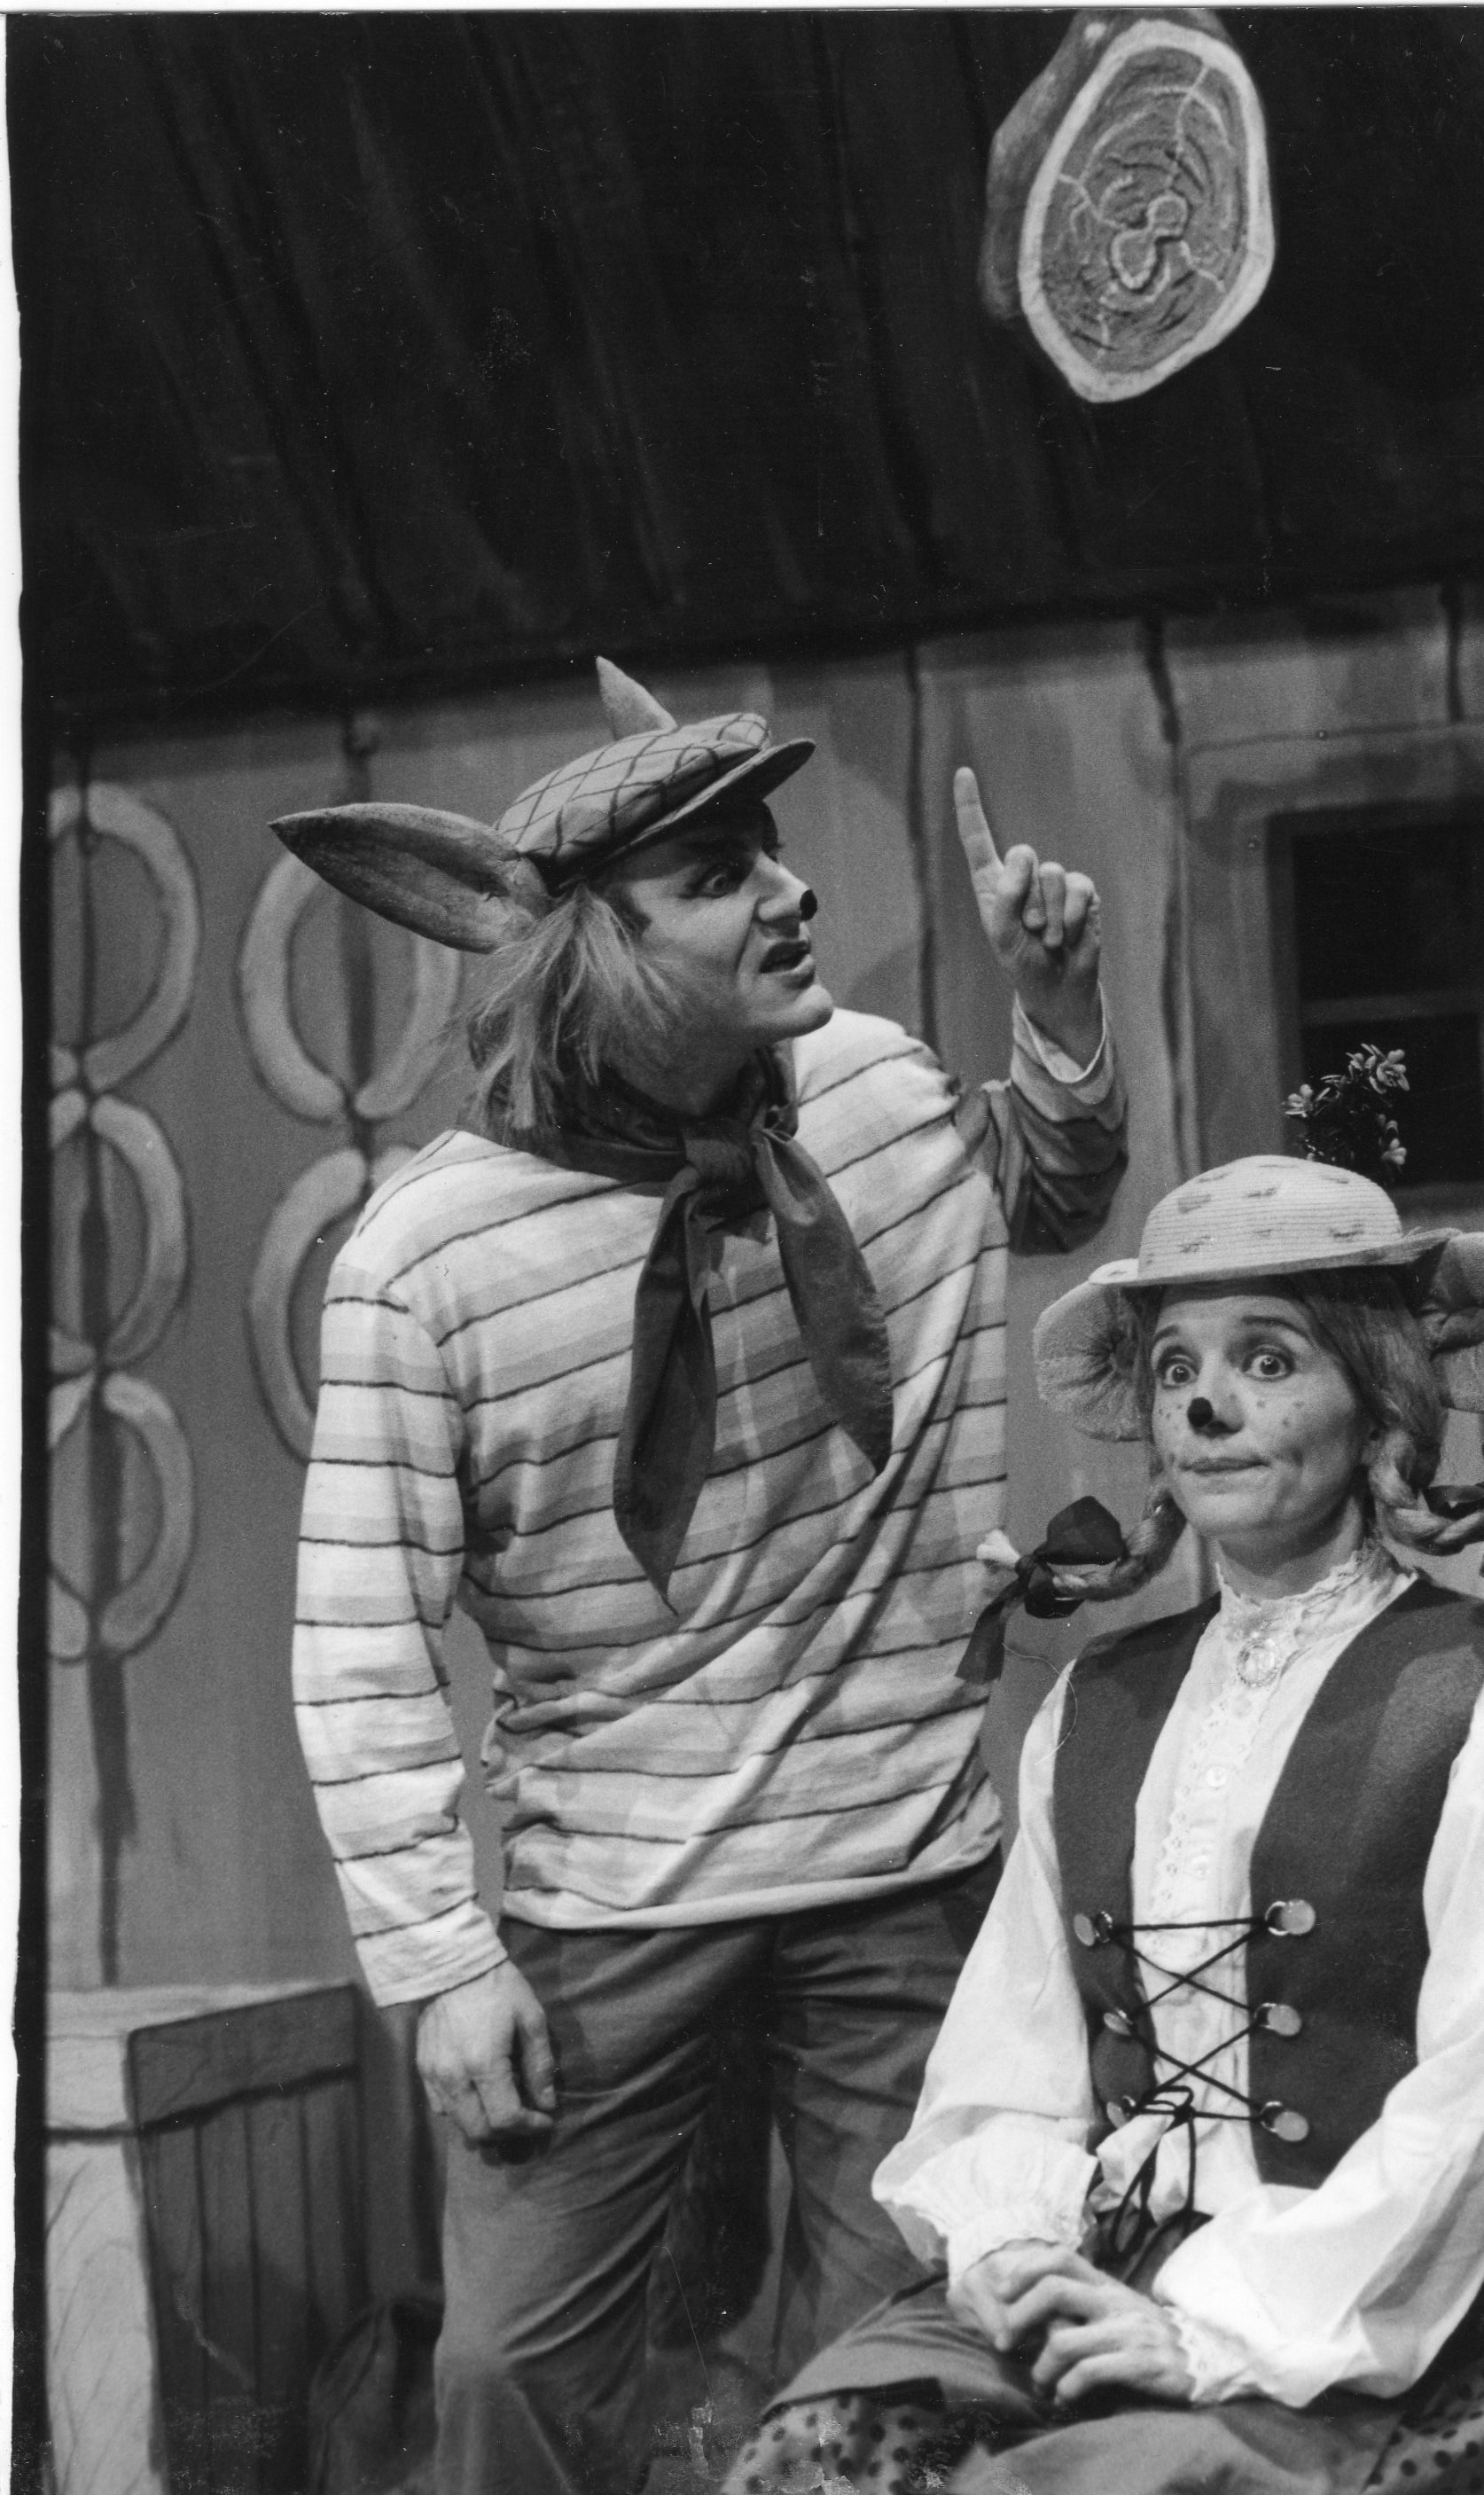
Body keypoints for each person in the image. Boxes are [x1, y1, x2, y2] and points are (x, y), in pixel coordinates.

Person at [277, 661, 1129, 2495]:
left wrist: (1057, 1015)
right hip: (614, 1896)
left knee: (891, 2375)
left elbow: (1043, 1197)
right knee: (510, 2377)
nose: (793, 893)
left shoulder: (875, 1089)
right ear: (595, 953)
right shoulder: (426, 1258)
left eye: (776, 850)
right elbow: (361, 1640)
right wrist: (439, 1961)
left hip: (902, 1864)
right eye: (723, 874)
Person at [730, 1137, 1484, 2495]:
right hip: (1112, 2265)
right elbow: (1013, 2053)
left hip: (1378, 2299)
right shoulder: (1097, 1701)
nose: (1207, 1405)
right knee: (810, 2455)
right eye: (1176, 1369)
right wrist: (1011, 2242)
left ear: (1376, 1404)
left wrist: (1213, 2324)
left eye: (1266, 1360)